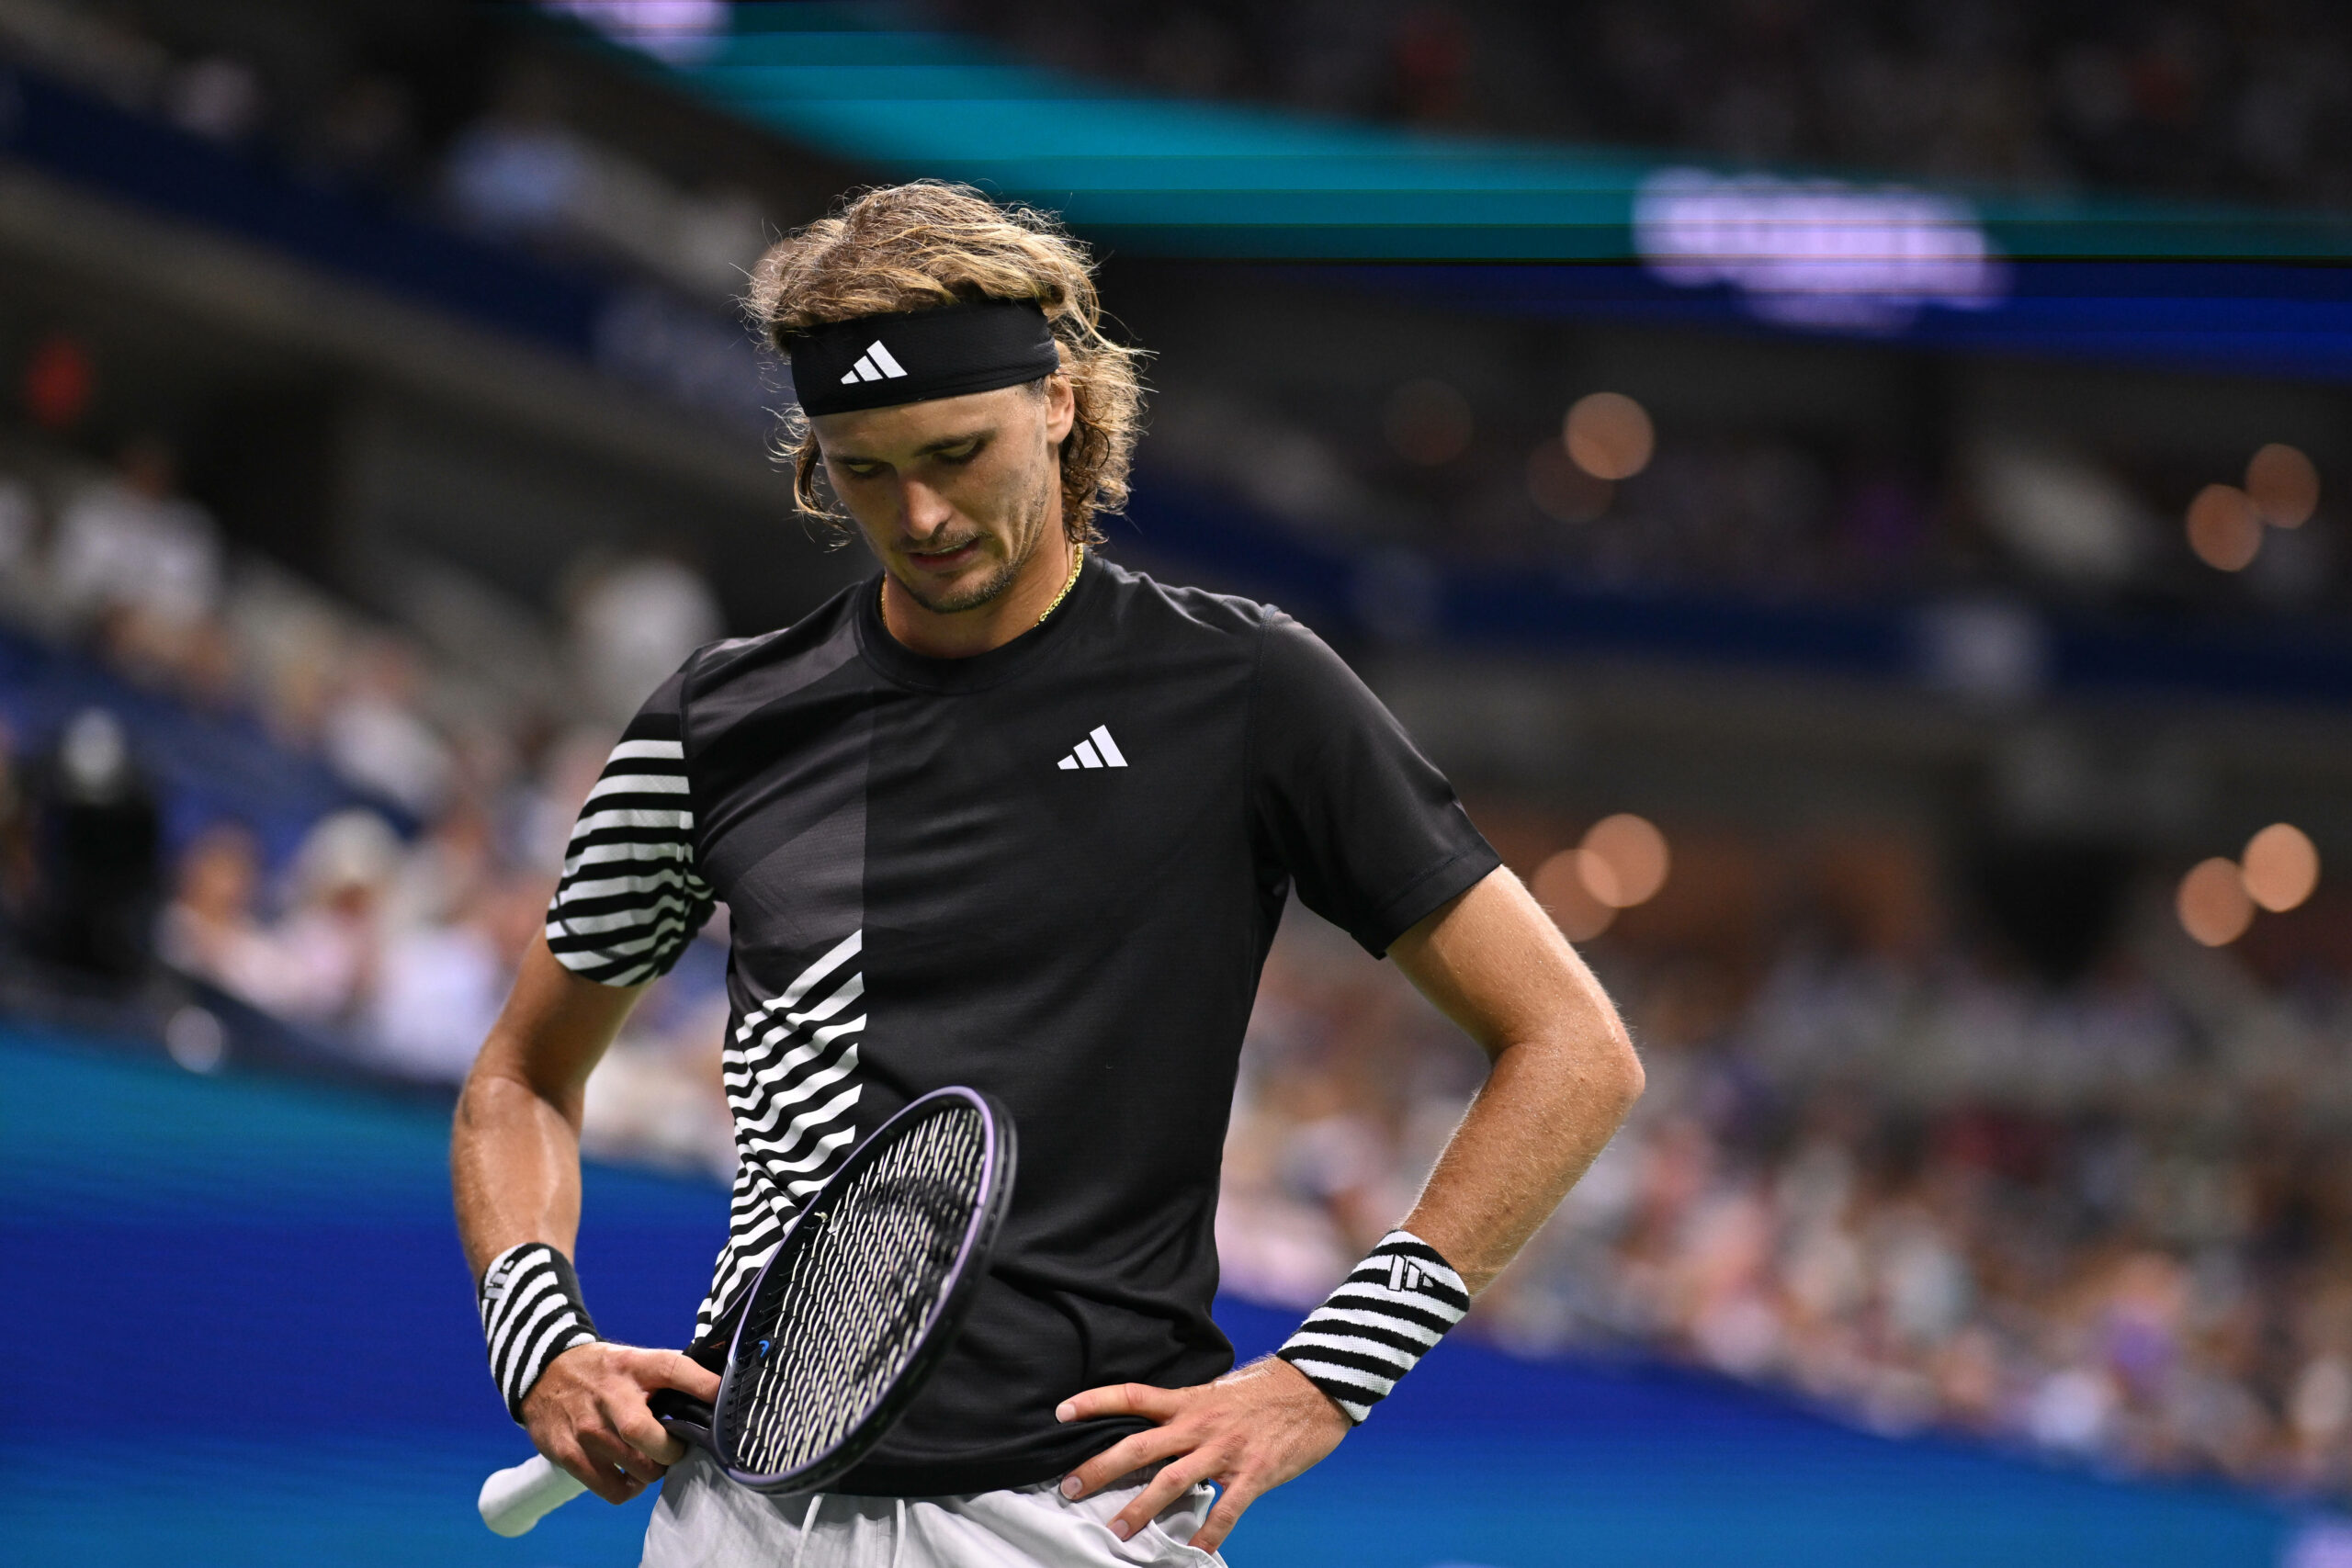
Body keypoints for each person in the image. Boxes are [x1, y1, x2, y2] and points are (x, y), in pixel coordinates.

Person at [450, 181, 1644, 1566]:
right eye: (865, 466)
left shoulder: (1247, 688)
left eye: (958, 452)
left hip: (1076, 1519)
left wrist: (1324, 1378)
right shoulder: (711, 727)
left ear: (1064, 401)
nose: (922, 512)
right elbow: (521, 1077)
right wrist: (542, 1340)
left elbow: (1574, 1047)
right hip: (744, 1516)